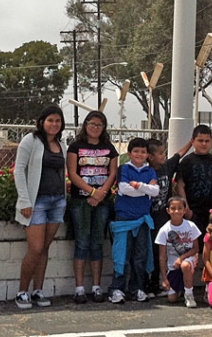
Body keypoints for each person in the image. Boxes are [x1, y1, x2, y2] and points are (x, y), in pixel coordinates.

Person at [13, 105, 66, 310]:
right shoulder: (31, 141)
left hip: (57, 202)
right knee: (34, 249)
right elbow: (19, 170)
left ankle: (38, 290)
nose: (54, 124)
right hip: (37, 203)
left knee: (44, 248)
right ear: (42, 121)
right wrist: (24, 200)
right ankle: (22, 291)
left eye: (58, 121)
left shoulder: (61, 144)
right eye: (50, 120)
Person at [66, 110, 118, 304]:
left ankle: (96, 287)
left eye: (99, 125)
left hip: (102, 202)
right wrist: (91, 192)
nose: (95, 128)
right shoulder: (75, 146)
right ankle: (79, 288)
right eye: (92, 124)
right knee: (82, 242)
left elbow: (112, 173)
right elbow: (72, 173)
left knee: (97, 242)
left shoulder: (109, 148)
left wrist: (101, 193)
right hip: (81, 201)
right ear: (85, 125)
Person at [108, 138, 159, 304]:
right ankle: (117, 289)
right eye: (136, 151)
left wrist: (138, 185)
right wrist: (145, 188)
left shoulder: (150, 171)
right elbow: (124, 189)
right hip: (124, 219)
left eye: (143, 152)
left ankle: (137, 288)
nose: (139, 154)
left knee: (140, 257)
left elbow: (155, 191)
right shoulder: (124, 168)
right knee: (122, 255)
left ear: (147, 155)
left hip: (142, 220)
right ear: (129, 153)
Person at [146, 137, 192, 297]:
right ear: (150, 156)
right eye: (160, 153)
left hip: (164, 219)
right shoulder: (146, 172)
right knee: (149, 251)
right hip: (150, 219)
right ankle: (148, 285)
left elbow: (178, 155)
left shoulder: (166, 167)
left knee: (162, 251)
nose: (164, 155)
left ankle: (159, 282)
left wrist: (191, 141)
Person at [154, 196, 201, 308]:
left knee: (185, 265)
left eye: (180, 208)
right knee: (172, 299)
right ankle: (181, 288)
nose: (176, 211)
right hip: (173, 267)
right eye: (173, 208)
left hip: (189, 259)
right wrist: (164, 279)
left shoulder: (191, 226)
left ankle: (189, 295)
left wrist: (181, 258)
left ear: (185, 210)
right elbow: (162, 256)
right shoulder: (164, 230)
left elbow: (196, 248)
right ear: (168, 210)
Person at [175, 124, 212, 235]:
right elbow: (180, 185)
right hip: (194, 212)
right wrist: (186, 210)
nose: (204, 144)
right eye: (200, 140)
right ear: (193, 141)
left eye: (207, 141)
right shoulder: (186, 161)